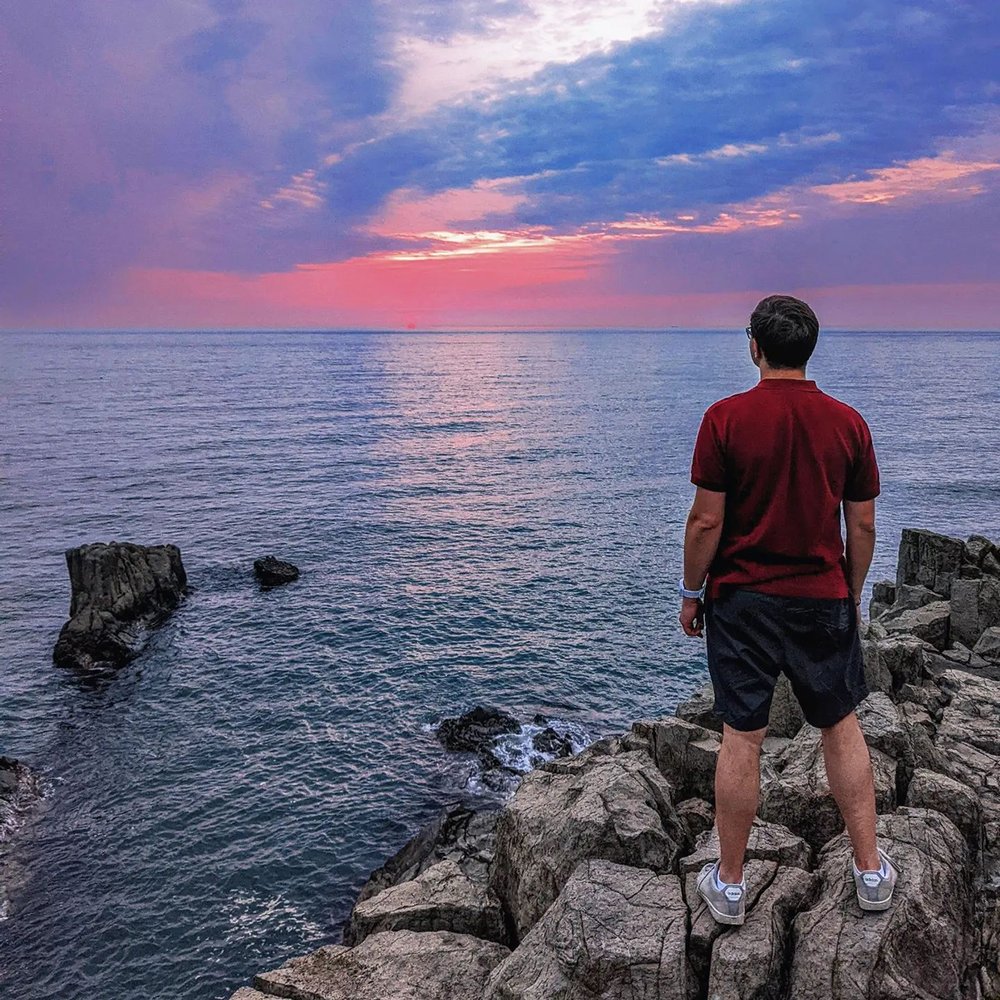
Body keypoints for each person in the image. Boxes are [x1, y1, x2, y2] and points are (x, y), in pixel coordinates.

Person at [678, 294, 899, 926]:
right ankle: (869, 871)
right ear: (809, 347)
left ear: (756, 346)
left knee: (741, 738)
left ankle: (729, 884)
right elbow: (862, 528)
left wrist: (692, 593)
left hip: (742, 601)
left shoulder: (725, 418)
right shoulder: (848, 424)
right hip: (821, 597)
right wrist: (849, 594)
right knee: (841, 726)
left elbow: (706, 521)